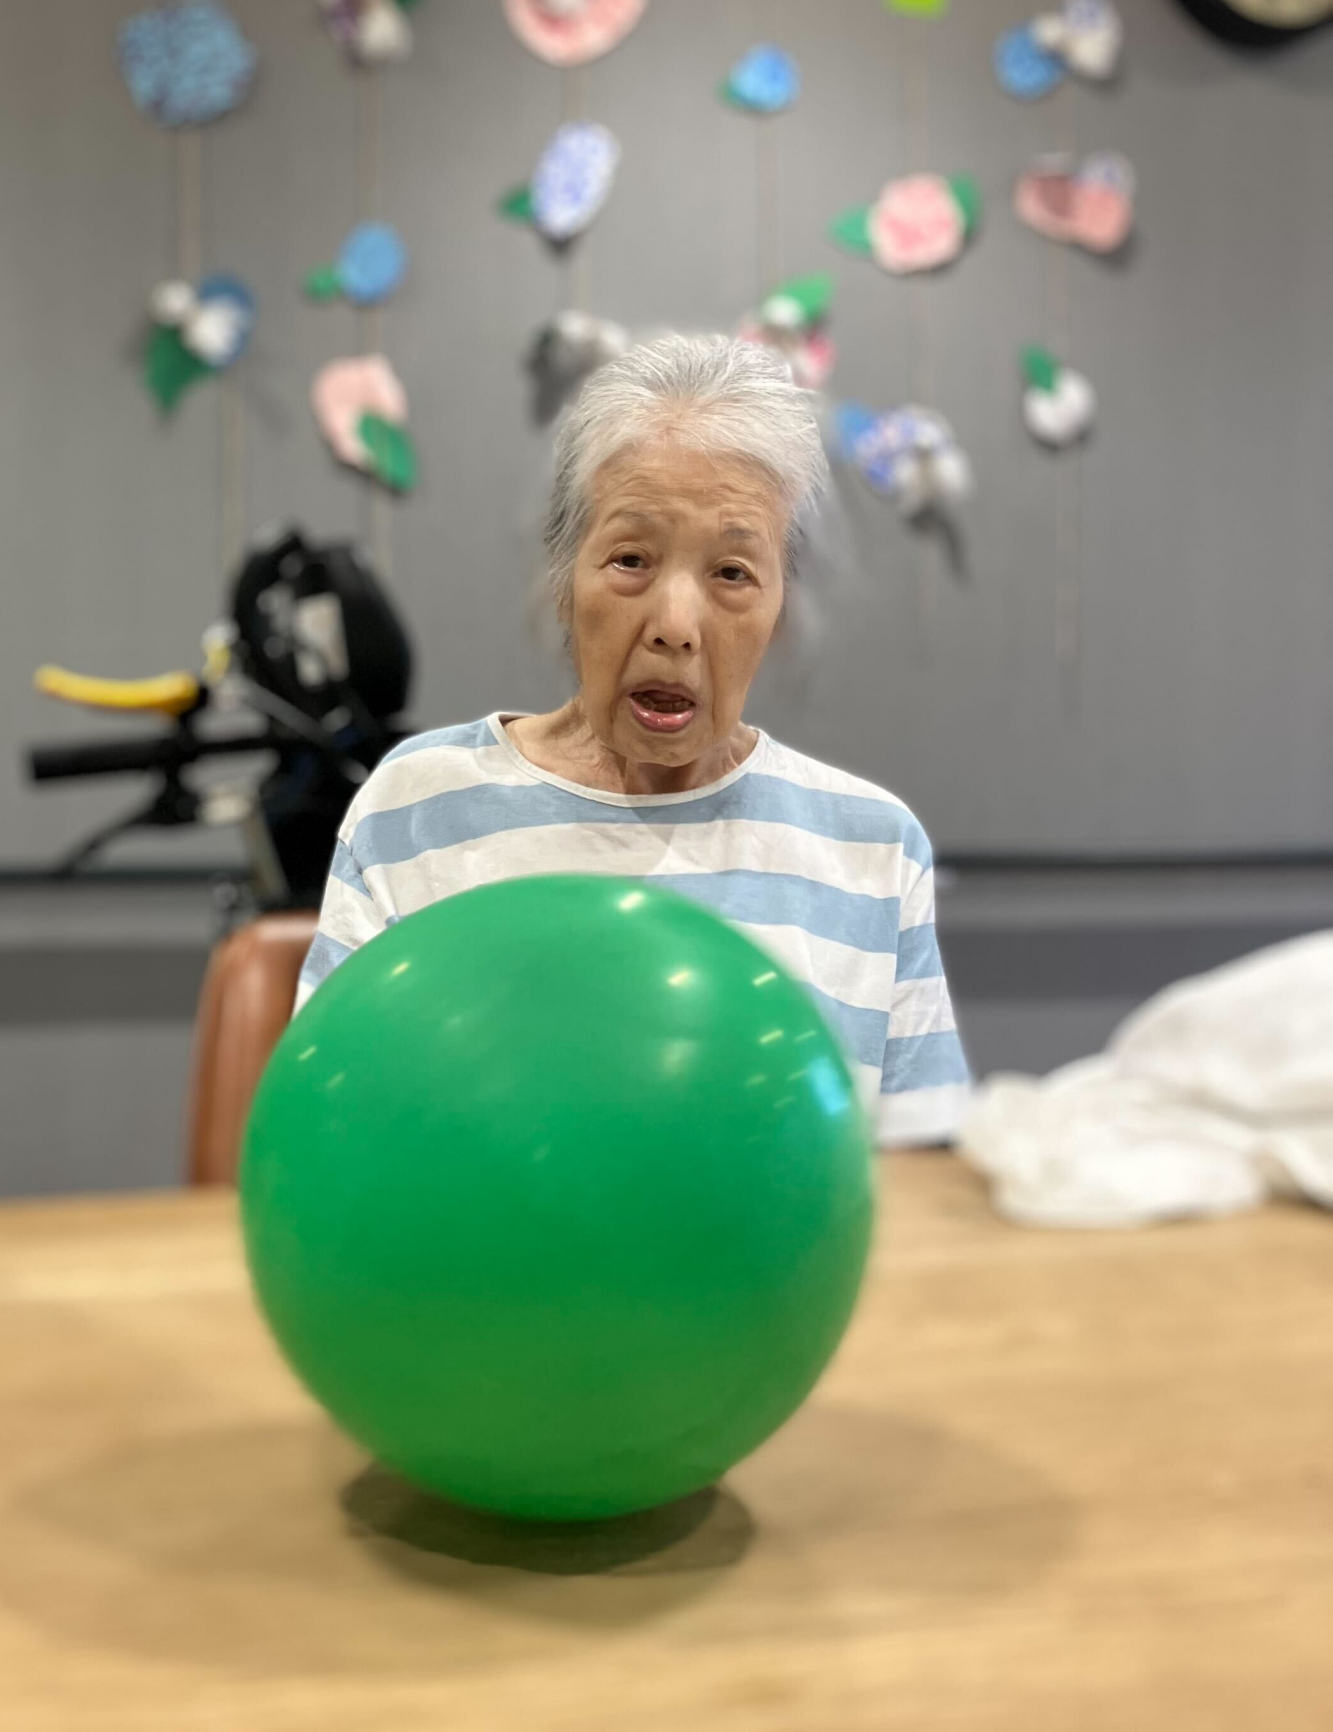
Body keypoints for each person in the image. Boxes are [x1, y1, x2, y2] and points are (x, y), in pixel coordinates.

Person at [299, 332, 970, 1146]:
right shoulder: (418, 808)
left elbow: (922, 1170)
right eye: (630, 560)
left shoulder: (873, 849)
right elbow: (327, 1132)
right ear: (564, 579)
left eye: (732, 573)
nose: (675, 626)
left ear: (781, 607)